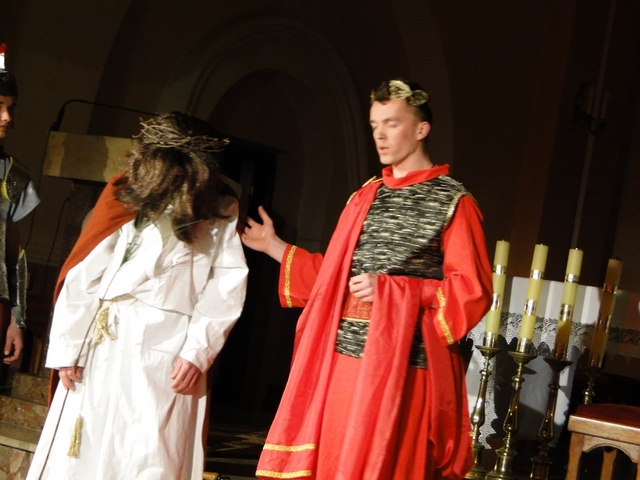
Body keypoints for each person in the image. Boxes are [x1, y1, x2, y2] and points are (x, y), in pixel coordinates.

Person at [241, 79, 492, 479]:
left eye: (392, 123)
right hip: (345, 359)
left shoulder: (453, 202)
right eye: (374, 124)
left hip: (404, 366)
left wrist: (395, 289)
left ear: (421, 129)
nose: (379, 135)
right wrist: (274, 246)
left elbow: (471, 291)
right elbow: (334, 278)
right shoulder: (366, 195)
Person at [27, 112, 248, 480]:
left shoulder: (219, 208)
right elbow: (85, 275)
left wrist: (197, 351)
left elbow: (225, 286)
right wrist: (69, 348)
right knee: (87, 447)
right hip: (107, 342)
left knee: (150, 453)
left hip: (171, 348)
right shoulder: (127, 194)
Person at [0, 43, 40, 366]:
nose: (6, 117)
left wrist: (18, 319)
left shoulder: (11, 174)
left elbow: (15, 253)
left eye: (10, 108)